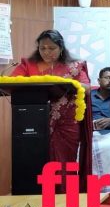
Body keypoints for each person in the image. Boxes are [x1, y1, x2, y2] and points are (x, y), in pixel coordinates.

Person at [11, 29, 92, 191]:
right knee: (36, 159)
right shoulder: (28, 64)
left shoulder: (74, 66)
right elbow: (13, 81)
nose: (46, 52)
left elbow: (87, 88)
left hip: (67, 123)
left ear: (61, 48)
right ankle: (39, 195)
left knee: (65, 162)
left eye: (52, 48)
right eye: (43, 48)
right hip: (36, 121)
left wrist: (68, 83)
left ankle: (66, 195)